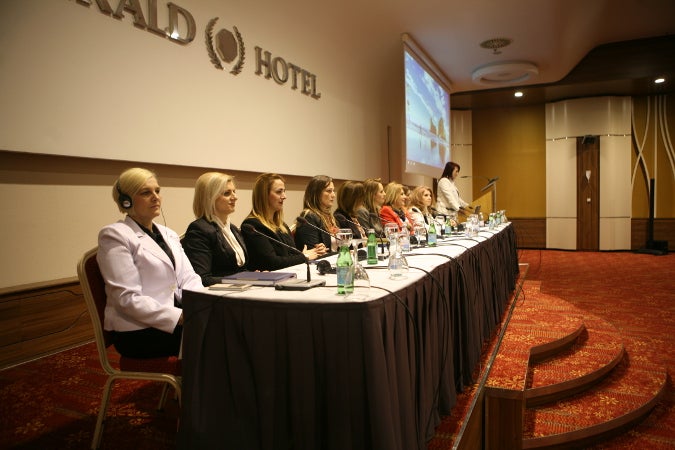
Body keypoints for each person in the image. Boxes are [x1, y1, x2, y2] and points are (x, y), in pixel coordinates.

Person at [97, 168, 203, 359]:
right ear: (125, 201)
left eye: (157, 191)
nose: (156, 197)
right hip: (138, 330)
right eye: (146, 192)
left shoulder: (168, 234)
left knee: (228, 325)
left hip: (176, 318)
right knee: (217, 335)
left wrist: (200, 305)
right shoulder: (114, 235)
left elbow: (189, 277)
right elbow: (127, 298)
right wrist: (180, 317)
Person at [241, 173, 322, 271]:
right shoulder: (252, 226)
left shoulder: (282, 225)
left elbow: (291, 256)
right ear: (264, 195)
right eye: (279, 192)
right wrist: (304, 256)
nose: (284, 196)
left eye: (284, 191)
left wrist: (309, 253)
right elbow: (272, 263)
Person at [182, 172, 248, 287]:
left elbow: (238, 270)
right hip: (218, 299)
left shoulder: (233, 229)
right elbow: (203, 279)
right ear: (210, 197)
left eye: (234, 191)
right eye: (227, 193)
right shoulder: (199, 230)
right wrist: (241, 280)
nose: (235, 197)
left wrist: (256, 276)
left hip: (240, 292)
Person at [294, 175, 337, 253]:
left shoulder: (329, 216)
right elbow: (314, 252)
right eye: (329, 191)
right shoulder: (308, 218)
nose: (333, 195)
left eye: (333, 191)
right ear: (316, 193)